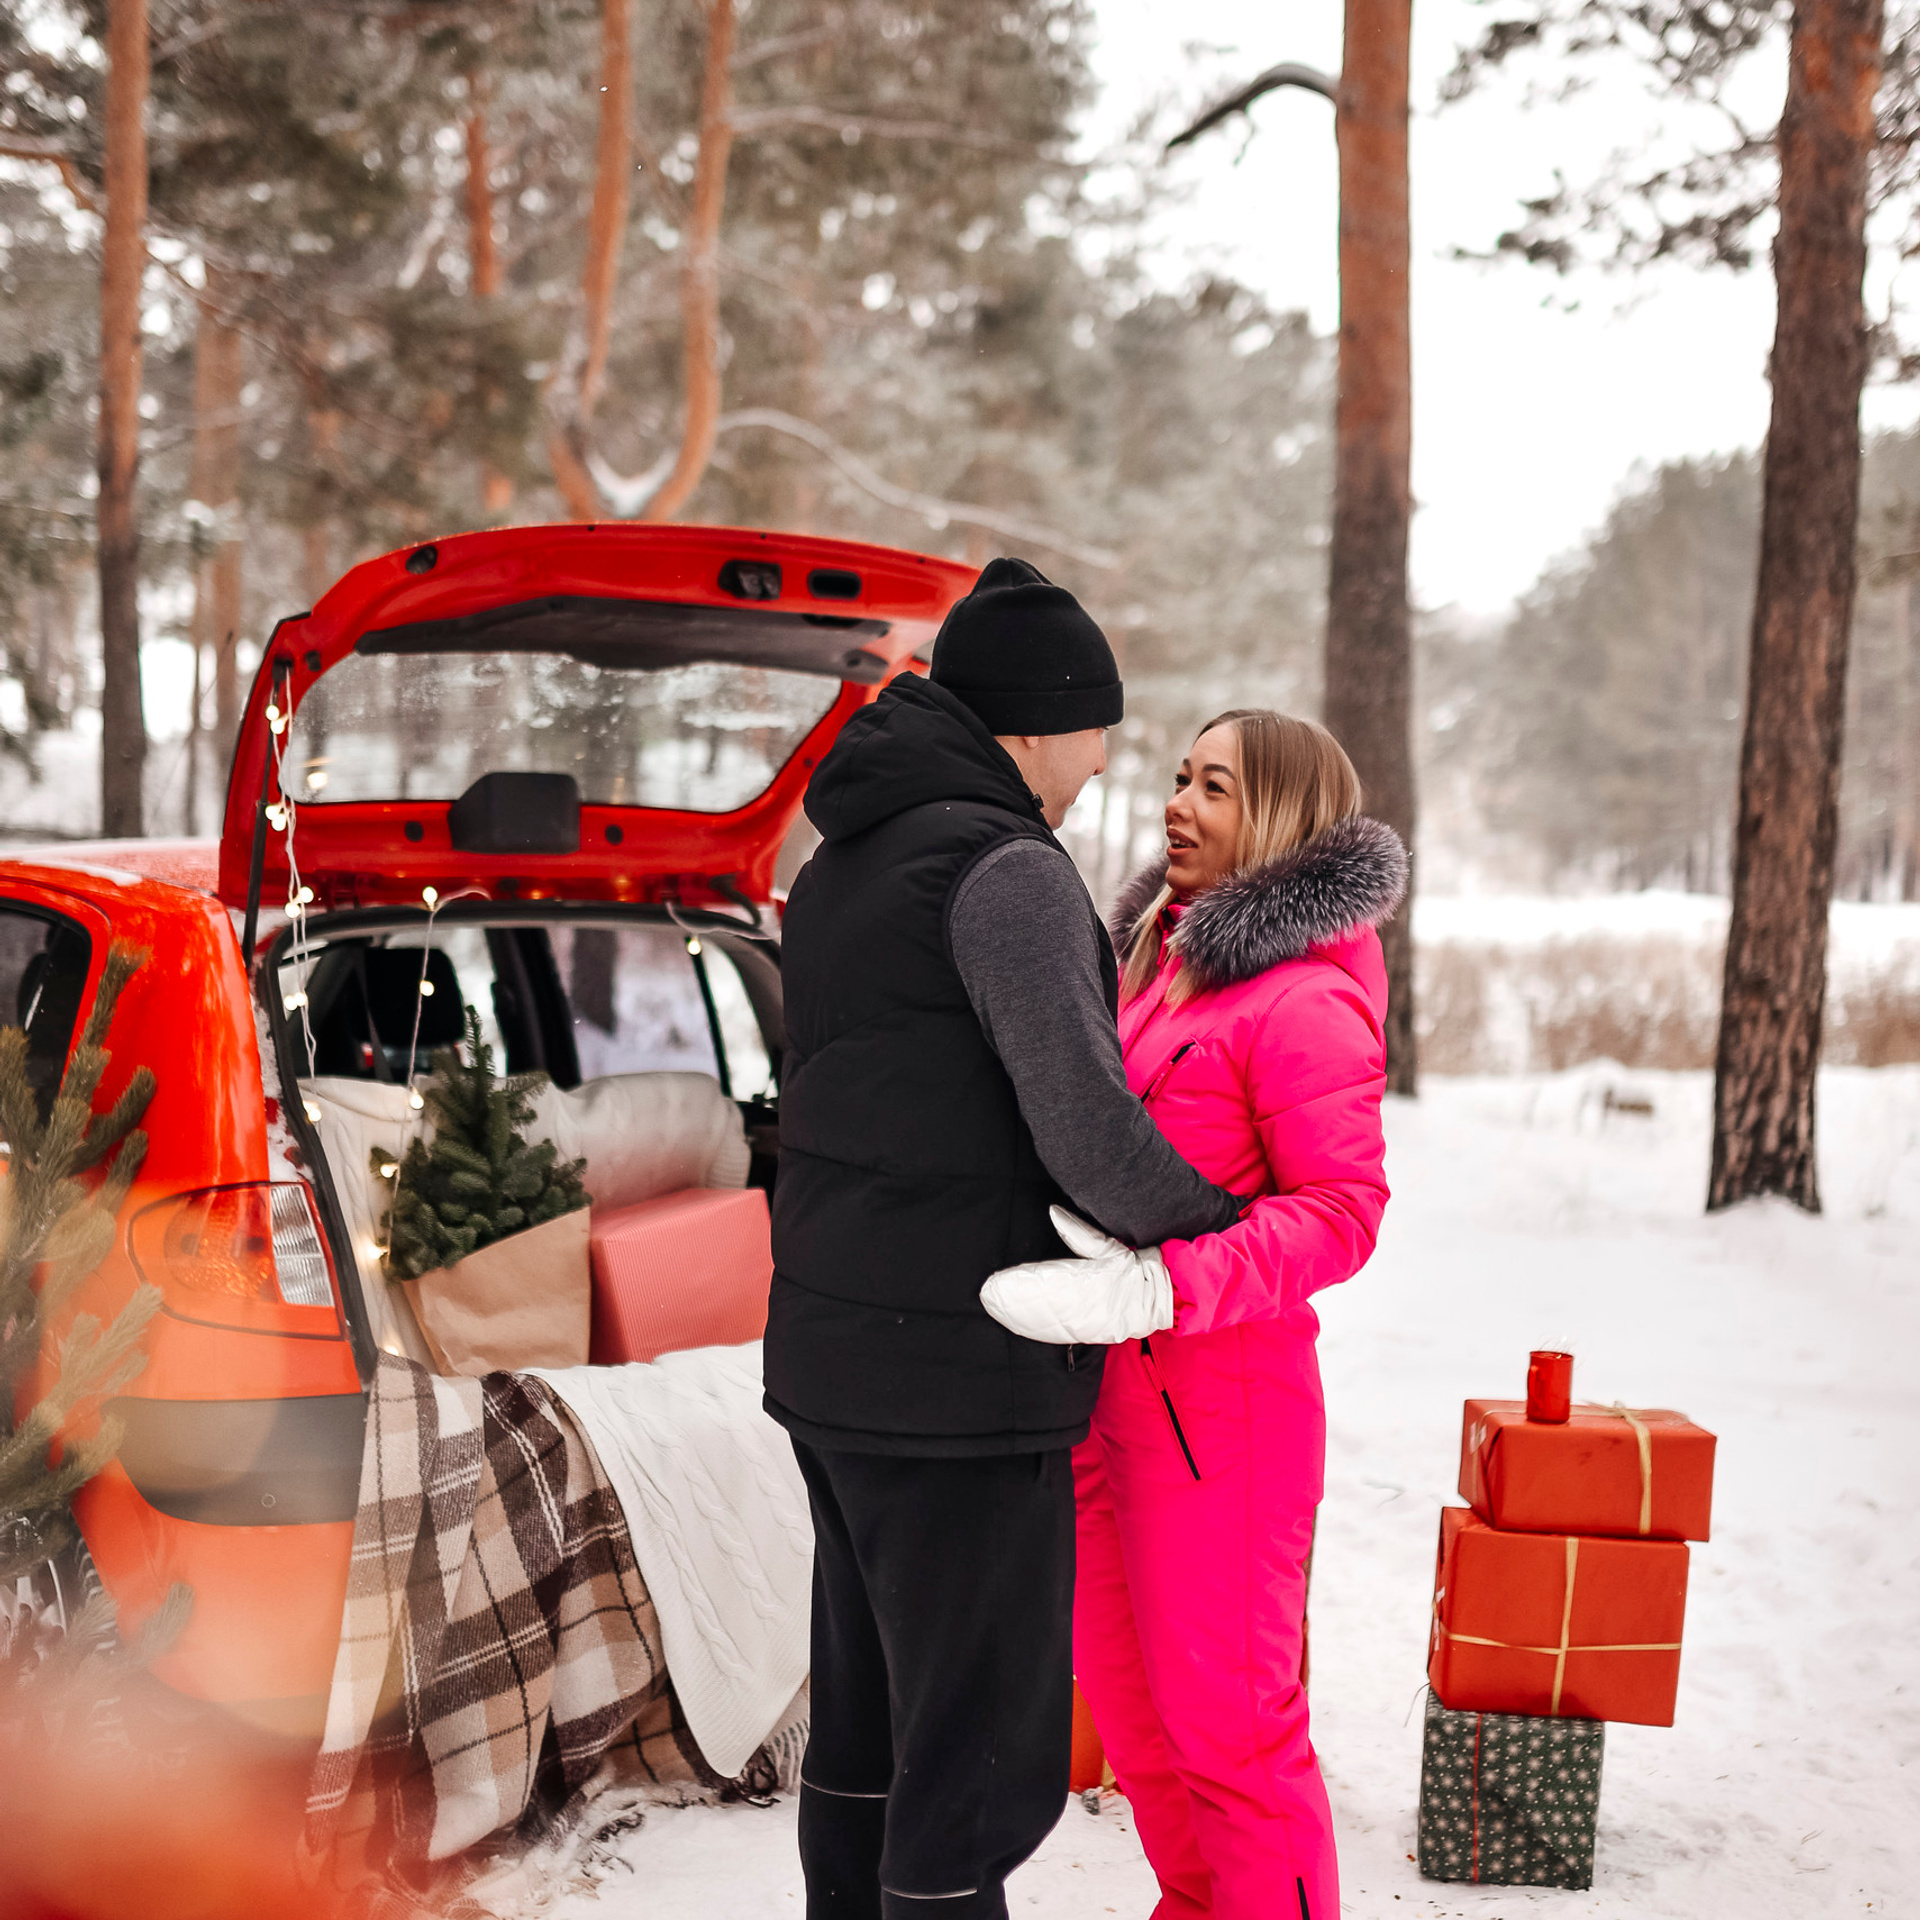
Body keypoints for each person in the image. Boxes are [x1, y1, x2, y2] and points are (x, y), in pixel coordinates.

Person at [764, 560, 1245, 1920]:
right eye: (1100, 732)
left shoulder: (850, 852)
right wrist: (1223, 1235)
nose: (1107, 769)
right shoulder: (1007, 869)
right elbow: (1083, 1127)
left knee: (871, 1733)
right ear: (1040, 723)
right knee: (977, 1769)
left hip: (840, 1360)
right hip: (957, 1382)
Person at [982, 710, 1406, 1920]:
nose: (1177, 803)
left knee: (1235, 1740)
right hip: (1106, 1411)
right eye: (1178, 777)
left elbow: (1344, 1211)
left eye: (1214, 787)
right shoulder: (1161, 969)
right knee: (1143, 1732)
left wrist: (1170, 1281)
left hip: (1222, 1422)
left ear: (1273, 816)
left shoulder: (1303, 1002)